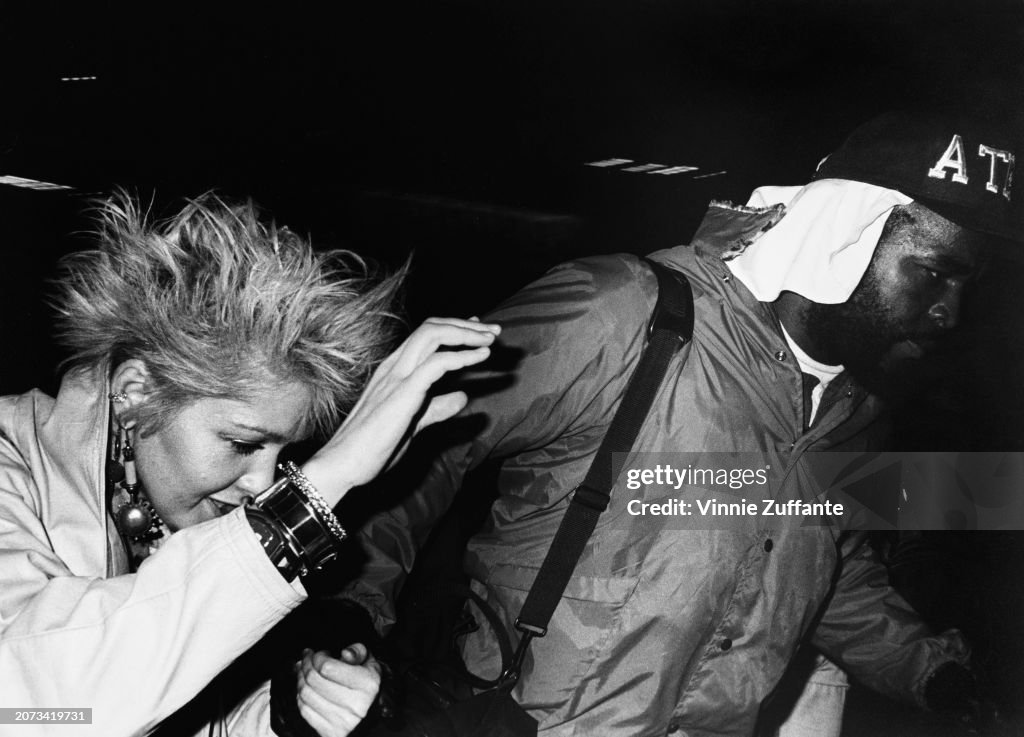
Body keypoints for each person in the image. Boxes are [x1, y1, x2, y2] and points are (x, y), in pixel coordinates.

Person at [340, 110, 1019, 735]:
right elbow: (416, 446)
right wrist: (350, 613)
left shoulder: (856, 408)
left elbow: (823, 563)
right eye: (934, 274)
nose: (950, 313)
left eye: (967, 288)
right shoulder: (625, 315)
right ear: (845, 235)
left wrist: (929, 669)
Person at [0, 192, 501, 737]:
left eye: (286, 455)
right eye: (242, 444)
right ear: (137, 393)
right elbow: (34, 708)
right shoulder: (10, 463)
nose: (264, 483)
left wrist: (292, 711)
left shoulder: (169, 505)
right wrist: (319, 488)